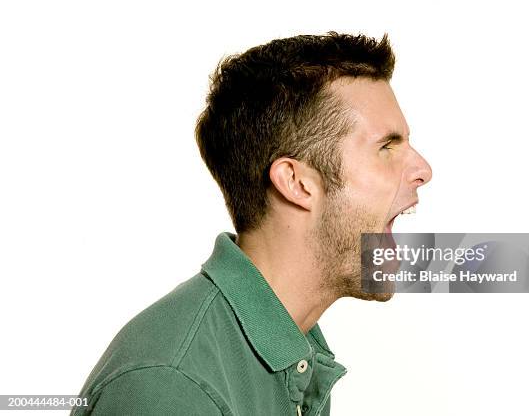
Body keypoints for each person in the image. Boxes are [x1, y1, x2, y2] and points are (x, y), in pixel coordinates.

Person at [72, 32, 432, 416]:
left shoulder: (294, 355)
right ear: (297, 183)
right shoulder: (173, 385)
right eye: (386, 148)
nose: (422, 170)